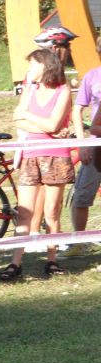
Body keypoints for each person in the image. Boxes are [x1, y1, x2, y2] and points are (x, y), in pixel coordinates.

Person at [0, 49, 74, 281]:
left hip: (56, 156)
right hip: (31, 154)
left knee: (52, 212)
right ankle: (15, 263)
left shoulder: (63, 90)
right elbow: (18, 117)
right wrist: (44, 125)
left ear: (44, 65)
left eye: (32, 65)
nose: (29, 70)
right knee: (24, 212)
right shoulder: (29, 89)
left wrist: (30, 118)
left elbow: (52, 123)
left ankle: (52, 260)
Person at [69, 34, 101, 246]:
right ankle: (78, 243)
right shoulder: (91, 77)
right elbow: (77, 111)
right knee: (81, 195)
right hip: (95, 145)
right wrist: (83, 144)